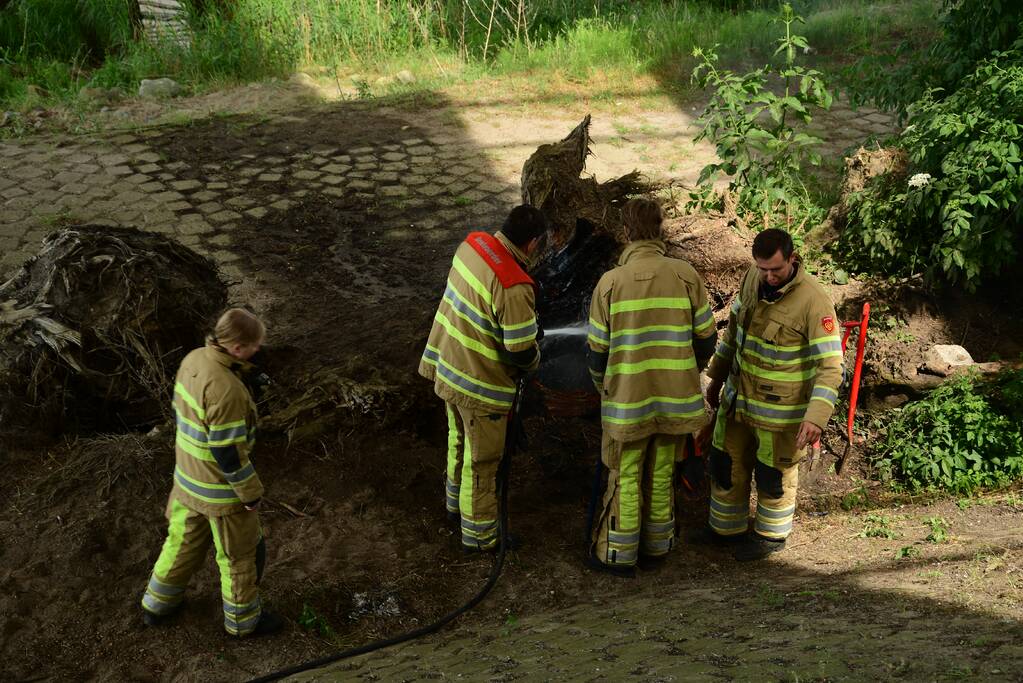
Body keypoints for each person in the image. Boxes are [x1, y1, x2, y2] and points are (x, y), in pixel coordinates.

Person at [586, 198, 717, 577]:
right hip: (676, 403)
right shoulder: (685, 275)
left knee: (626, 476)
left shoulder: (610, 283)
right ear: (662, 230)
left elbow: (597, 354)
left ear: (625, 232)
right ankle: (659, 547)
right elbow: (707, 340)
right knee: (662, 473)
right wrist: (687, 372)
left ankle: (619, 555)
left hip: (627, 405)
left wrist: (605, 389)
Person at [141, 308, 283, 637]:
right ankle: (243, 621)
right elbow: (227, 453)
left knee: (180, 543)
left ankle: (157, 604)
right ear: (236, 347)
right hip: (221, 493)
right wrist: (250, 495)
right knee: (238, 556)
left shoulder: (194, 360)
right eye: (254, 346)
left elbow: (195, 412)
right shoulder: (227, 392)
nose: (258, 350)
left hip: (187, 481)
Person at [703, 228, 843, 561]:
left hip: (780, 415)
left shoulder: (814, 300)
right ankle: (725, 531)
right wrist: (716, 378)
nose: (768, 276)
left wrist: (816, 417)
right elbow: (733, 334)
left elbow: (830, 367)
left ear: (792, 259)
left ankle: (770, 537)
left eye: (775, 270)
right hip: (737, 402)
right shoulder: (752, 279)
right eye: (762, 268)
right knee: (726, 463)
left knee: (773, 475)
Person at [419, 205, 548, 552]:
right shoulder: (514, 285)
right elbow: (520, 349)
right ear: (533, 243)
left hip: (448, 365)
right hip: (479, 387)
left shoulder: (471, 246)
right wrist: (536, 357)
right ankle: (479, 538)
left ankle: (454, 508)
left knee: (457, 440)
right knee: (484, 463)